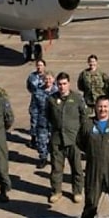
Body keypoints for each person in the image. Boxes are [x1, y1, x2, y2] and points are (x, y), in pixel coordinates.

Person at [46, 72, 87, 204]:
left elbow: (84, 117)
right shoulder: (51, 99)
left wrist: (81, 134)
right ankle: (56, 191)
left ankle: (77, 191)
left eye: (64, 84)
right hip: (57, 140)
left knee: (76, 168)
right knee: (56, 168)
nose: (62, 87)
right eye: (59, 84)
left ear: (69, 84)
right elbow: (48, 116)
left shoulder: (77, 98)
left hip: (73, 139)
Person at [30, 72, 57, 168]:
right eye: (46, 79)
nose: (48, 81)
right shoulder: (38, 92)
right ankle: (43, 158)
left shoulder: (57, 92)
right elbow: (34, 108)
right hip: (42, 120)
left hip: (55, 122)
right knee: (41, 141)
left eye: (50, 79)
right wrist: (34, 122)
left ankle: (55, 159)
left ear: (53, 80)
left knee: (55, 142)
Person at [26, 59, 49, 147]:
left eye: (41, 65)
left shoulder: (48, 76)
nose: (39, 67)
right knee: (34, 121)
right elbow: (29, 86)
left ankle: (46, 139)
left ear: (44, 66)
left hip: (45, 102)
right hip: (35, 103)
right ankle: (33, 140)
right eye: (38, 65)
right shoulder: (32, 76)